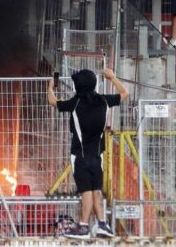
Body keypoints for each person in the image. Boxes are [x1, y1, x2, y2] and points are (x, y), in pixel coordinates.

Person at [47, 67, 127, 239]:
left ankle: (82, 226)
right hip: (97, 156)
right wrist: (112, 77)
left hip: (80, 156)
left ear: (78, 87)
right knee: (96, 189)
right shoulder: (104, 101)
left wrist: (50, 88)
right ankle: (102, 224)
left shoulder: (75, 103)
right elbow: (124, 93)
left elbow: (53, 102)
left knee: (86, 191)